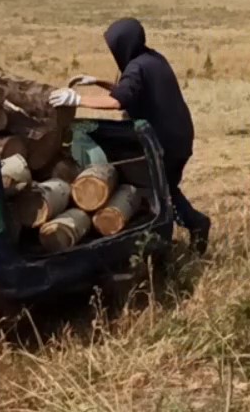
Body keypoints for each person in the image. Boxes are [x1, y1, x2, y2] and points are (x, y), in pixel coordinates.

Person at [49, 17, 212, 254]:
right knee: (165, 189)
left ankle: (189, 226)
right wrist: (98, 82)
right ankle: (186, 228)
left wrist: (78, 99)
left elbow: (119, 101)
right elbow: (130, 91)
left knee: (159, 192)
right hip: (179, 136)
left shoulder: (137, 67)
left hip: (164, 141)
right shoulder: (152, 59)